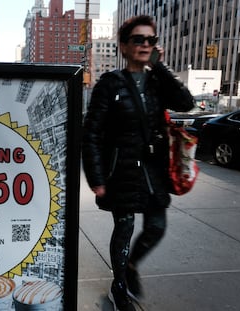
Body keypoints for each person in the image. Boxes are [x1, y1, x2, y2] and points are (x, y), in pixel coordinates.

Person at [81, 15, 195, 311]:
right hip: (121, 170)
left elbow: (186, 102)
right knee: (125, 226)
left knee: (156, 226)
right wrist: (96, 178)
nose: (145, 44)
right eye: (138, 39)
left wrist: (161, 66)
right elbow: (91, 132)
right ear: (123, 46)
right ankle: (119, 287)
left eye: (151, 40)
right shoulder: (110, 83)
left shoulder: (158, 81)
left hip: (154, 170)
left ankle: (131, 265)